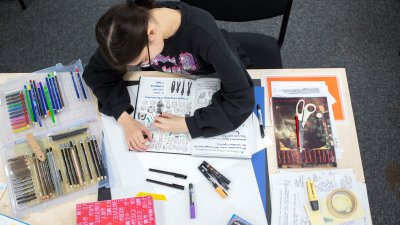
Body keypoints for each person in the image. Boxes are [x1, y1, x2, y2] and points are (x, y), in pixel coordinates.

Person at [83, 0, 255, 151]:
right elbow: (97, 72)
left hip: (212, 72)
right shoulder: (128, 31)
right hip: (170, 79)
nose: (142, 65)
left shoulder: (203, 34)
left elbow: (241, 99)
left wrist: (189, 124)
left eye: (143, 61)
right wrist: (125, 120)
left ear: (152, 33)